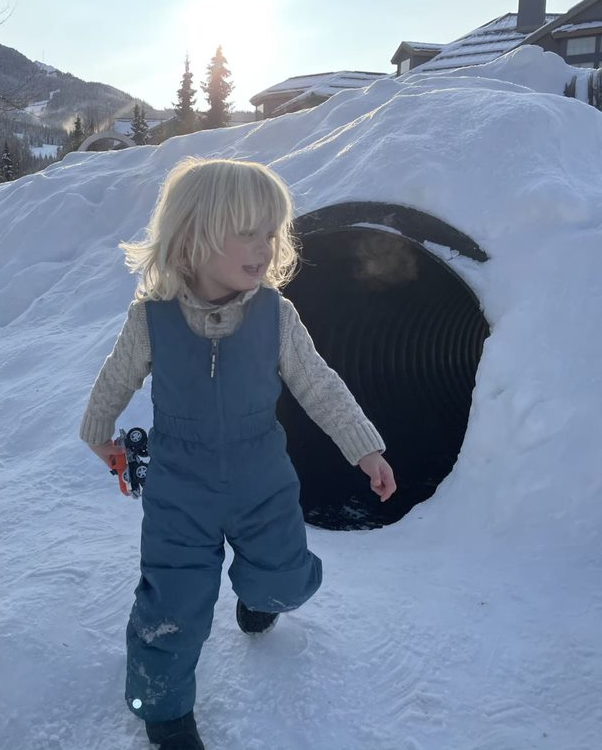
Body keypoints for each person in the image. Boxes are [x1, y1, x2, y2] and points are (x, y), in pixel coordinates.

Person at [80, 157, 396, 750]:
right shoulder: (153, 319)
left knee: (286, 580)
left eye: (271, 232)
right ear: (195, 235)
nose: (264, 246)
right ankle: (164, 708)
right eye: (246, 231)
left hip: (263, 480)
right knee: (173, 603)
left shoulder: (277, 315)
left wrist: (365, 449)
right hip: (180, 487)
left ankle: (260, 598)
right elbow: (116, 377)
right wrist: (99, 430)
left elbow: (319, 384)